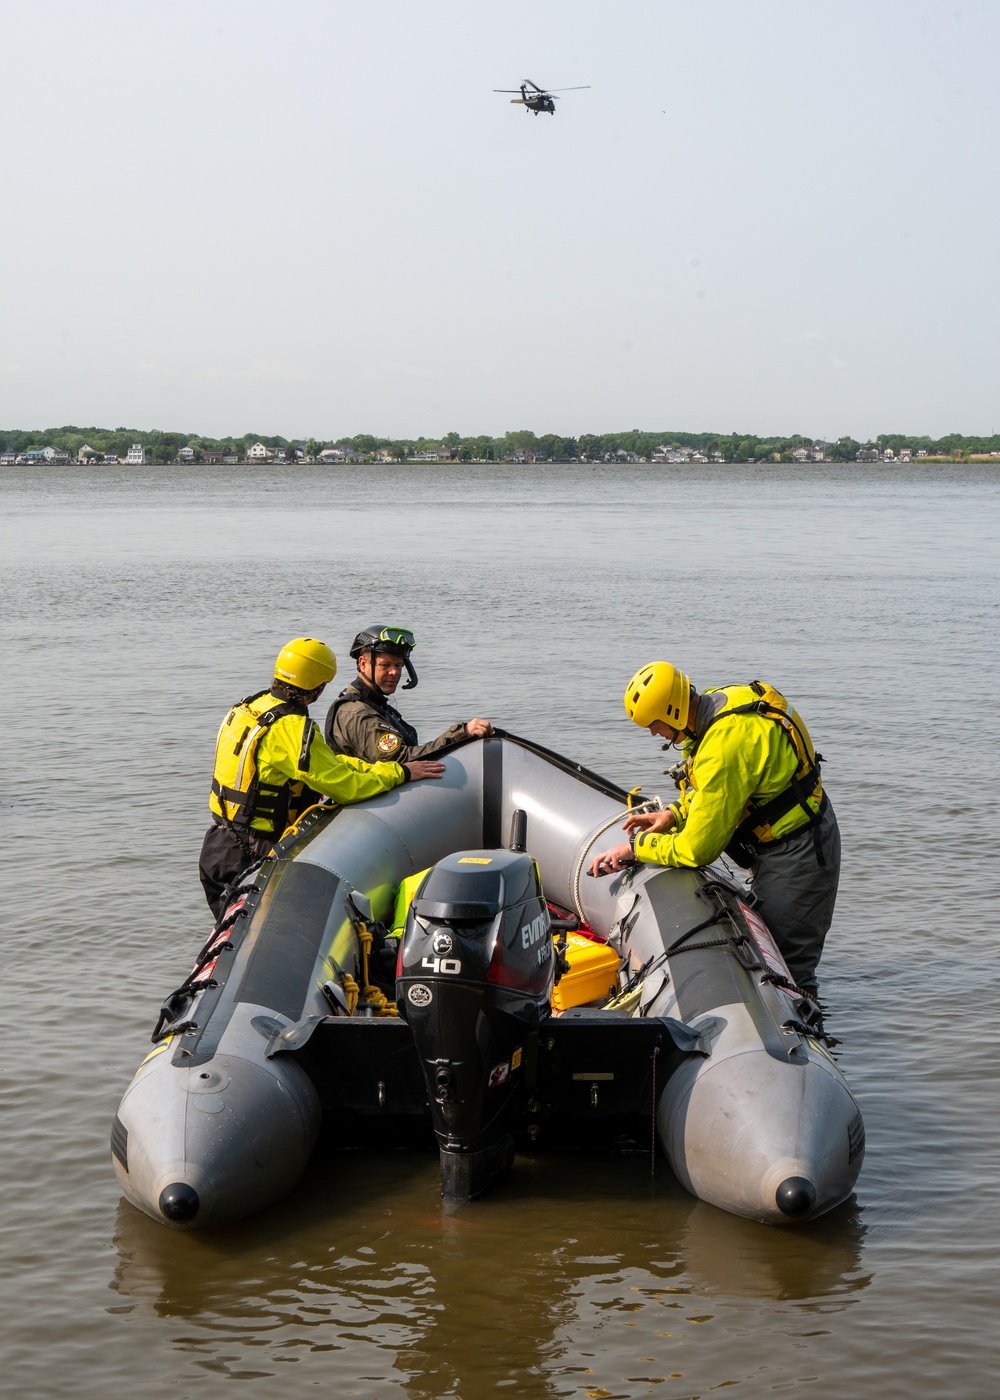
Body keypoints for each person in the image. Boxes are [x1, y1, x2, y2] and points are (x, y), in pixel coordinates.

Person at [588, 662, 840, 997]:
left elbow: (696, 850)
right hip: (786, 843)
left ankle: (803, 1039)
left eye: (654, 724)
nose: (653, 733)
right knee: (774, 954)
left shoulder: (723, 746)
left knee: (790, 968)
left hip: (800, 852)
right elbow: (721, 788)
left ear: (672, 712)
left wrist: (636, 848)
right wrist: (675, 814)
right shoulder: (717, 704)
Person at [199, 636, 444, 918]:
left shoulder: (250, 708)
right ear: (319, 683)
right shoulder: (292, 728)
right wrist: (400, 772)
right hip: (252, 851)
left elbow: (328, 764)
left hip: (218, 843)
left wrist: (373, 768)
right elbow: (346, 787)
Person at [324, 624, 493, 764]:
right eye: (385, 665)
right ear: (362, 663)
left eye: (398, 666)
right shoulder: (357, 713)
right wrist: (460, 733)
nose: (394, 673)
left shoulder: (372, 704)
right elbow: (401, 761)